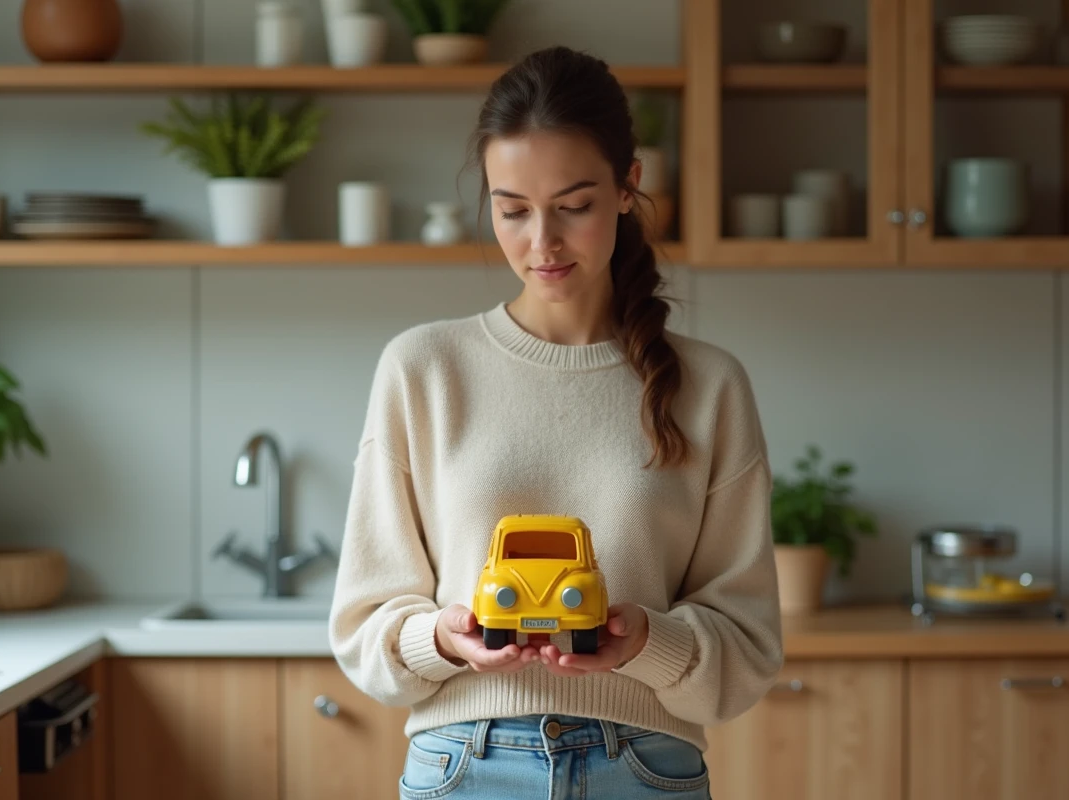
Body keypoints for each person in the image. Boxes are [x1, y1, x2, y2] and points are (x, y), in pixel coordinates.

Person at [328, 44, 784, 800]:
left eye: (574, 206)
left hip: (645, 770)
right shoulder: (423, 368)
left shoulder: (709, 386)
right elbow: (363, 628)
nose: (542, 242)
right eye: (512, 210)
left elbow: (749, 651)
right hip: (462, 769)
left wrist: (646, 641)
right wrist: (443, 636)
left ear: (628, 187)